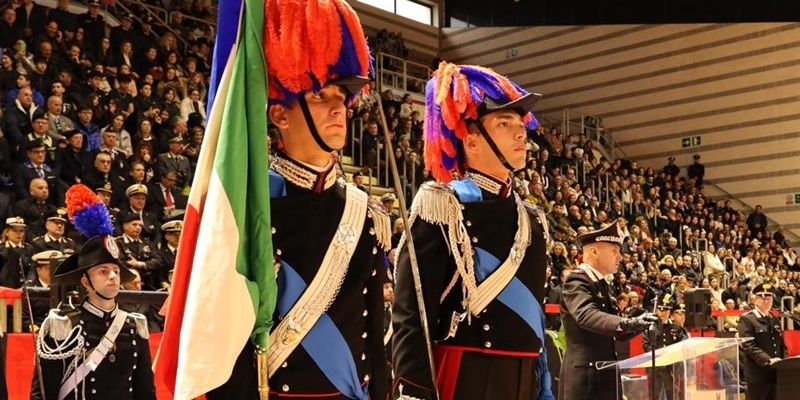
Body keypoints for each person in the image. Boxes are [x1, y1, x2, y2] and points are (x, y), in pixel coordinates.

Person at [205, 1, 390, 399]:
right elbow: (225, 335)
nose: (340, 105)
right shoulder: (249, 205)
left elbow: (374, 333)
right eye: (322, 96)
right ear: (280, 116)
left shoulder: (365, 212)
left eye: (342, 96)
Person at [392, 61, 554, 400]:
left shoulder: (533, 219)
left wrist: (544, 385)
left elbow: (534, 318)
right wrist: (416, 390)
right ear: (471, 140)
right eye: (504, 122)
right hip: (468, 373)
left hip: (524, 377)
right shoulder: (442, 206)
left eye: (519, 122)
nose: (520, 132)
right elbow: (411, 313)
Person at [33, 183, 156, 399]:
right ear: (85, 281)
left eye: (116, 271)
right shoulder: (63, 326)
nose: (112, 276)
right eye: (103, 271)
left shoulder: (134, 326)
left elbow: (145, 391)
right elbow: (43, 394)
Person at [559, 222, 658, 400]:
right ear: (594, 252)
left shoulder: (602, 284)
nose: (620, 256)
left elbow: (618, 331)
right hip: (586, 378)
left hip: (604, 373)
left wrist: (643, 318)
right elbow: (585, 315)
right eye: (614, 250)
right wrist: (626, 323)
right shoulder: (577, 281)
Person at [737, 283, 787, 400]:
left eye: (768, 298)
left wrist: (785, 362)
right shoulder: (747, 319)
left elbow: (781, 345)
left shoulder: (774, 319)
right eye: (762, 298)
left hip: (775, 373)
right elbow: (748, 345)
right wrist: (768, 360)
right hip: (757, 374)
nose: (766, 301)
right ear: (755, 300)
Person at [642, 295, 689, 400]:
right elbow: (646, 345)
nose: (663, 313)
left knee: (673, 395)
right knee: (653, 395)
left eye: (666, 310)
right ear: (657, 310)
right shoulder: (651, 326)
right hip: (655, 367)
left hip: (671, 368)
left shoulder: (676, 327)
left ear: (670, 311)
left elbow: (682, 344)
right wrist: (660, 360)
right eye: (661, 309)